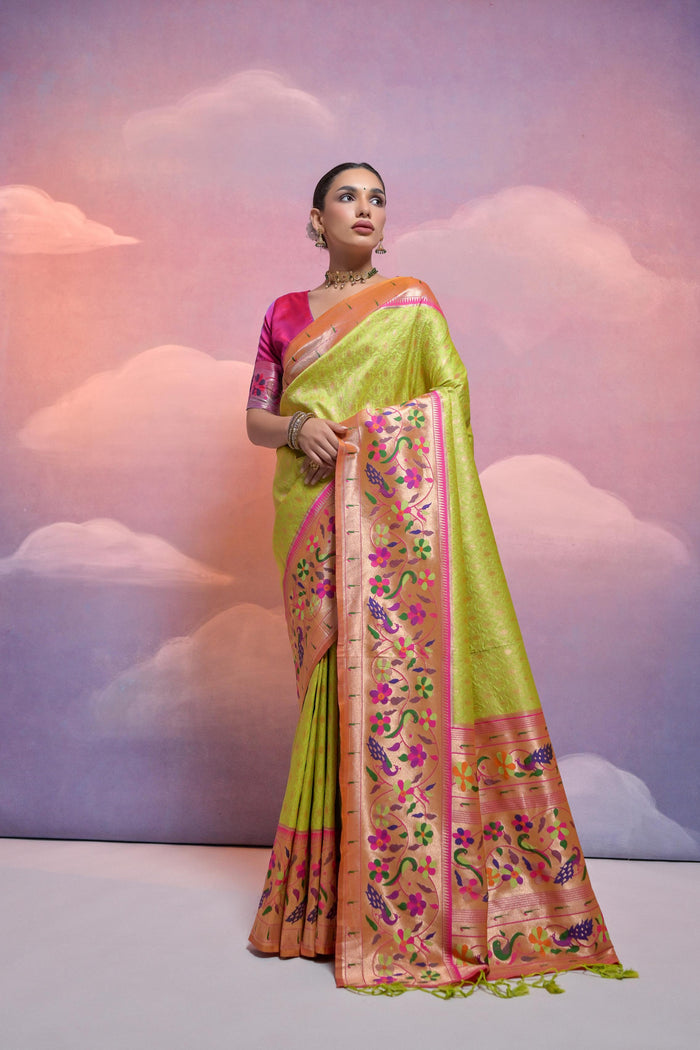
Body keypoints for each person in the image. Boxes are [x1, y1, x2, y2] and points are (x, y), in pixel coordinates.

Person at [245, 163, 632, 994]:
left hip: (388, 525)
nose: (365, 208)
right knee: (330, 690)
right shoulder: (282, 313)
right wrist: (300, 428)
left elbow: (449, 398)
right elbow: (256, 419)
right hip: (311, 519)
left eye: (378, 198)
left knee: (380, 689)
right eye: (348, 196)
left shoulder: (412, 303)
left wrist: (365, 435)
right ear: (315, 217)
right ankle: (318, 908)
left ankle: (392, 904)